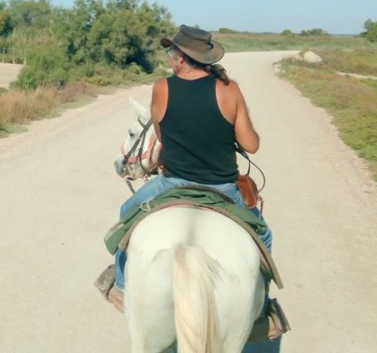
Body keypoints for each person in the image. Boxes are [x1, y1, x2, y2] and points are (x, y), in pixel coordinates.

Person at [96, 25, 287, 338]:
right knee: (263, 235)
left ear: (181, 58)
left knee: (126, 216)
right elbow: (251, 145)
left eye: (172, 52)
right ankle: (262, 308)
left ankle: (121, 284)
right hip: (223, 188)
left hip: (171, 183)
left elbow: (160, 133)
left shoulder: (162, 88)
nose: (171, 57)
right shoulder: (230, 90)